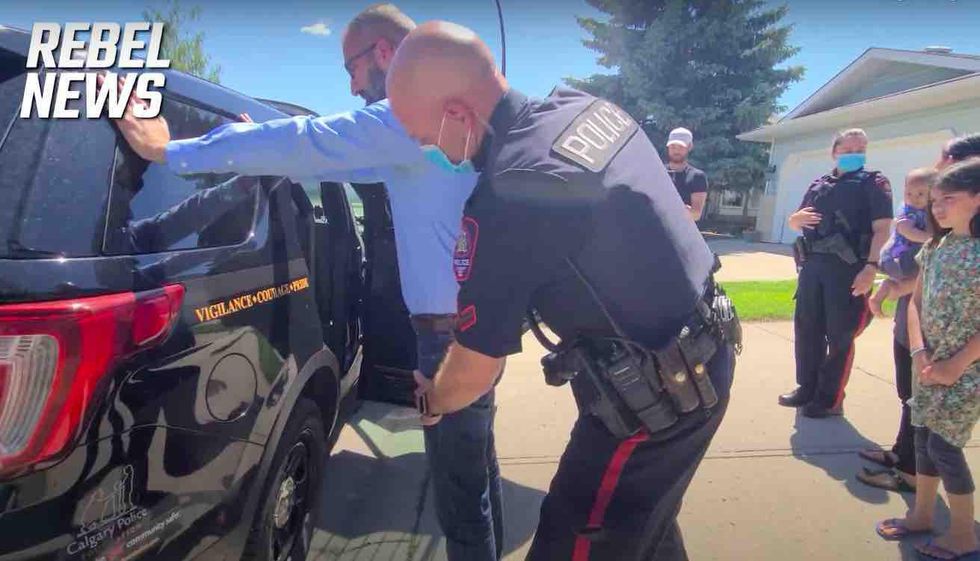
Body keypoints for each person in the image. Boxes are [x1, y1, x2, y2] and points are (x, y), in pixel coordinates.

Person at [102, 5, 504, 560]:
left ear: (383, 53)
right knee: (476, 481)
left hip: (448, 341)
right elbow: (328, 161)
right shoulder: (435, 126)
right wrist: (259, 149)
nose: (352, 85)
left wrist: (168, 150)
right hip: (474, 330)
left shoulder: (406, 119)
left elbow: (311, 140)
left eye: (350, 68)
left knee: (462, 504)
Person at [386, 21, 738, 561]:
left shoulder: (510, 193)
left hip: (655, 404)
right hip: (705, 352)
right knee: (644, 526)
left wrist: (431, 398)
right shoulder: (585, 108)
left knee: (575, 541)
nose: (435, 152)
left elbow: (475, 372)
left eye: (424, 137)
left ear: (456, 113)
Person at [876, 158, 980, 561]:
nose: (937, 208)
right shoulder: (937, 246)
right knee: (921, 437)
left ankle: (963, 534)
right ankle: (921, 515)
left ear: (977, 198)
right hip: (927, 365)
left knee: (944, 447)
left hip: (965, 372)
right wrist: (919, 351)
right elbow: (916, 302)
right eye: (934, 201)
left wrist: (956, 363)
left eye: (947, 199)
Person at [779, 129, 893, 418]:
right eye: (848, 149)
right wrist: (794, 220)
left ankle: (830, 399)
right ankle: (807, 388)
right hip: (812, 265)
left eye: (860, 149)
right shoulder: (820, 184)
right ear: (834, 152)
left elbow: (882, 229)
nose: (854, 154)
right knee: (808, 329)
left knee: (840, 335)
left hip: (849, 268)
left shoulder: (874, 183)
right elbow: (796, 220)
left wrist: (871, 267)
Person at [856, 167, 937, 493]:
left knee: (917, 400)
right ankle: (900, 455)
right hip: (908, 321)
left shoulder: (946, 230)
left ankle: (910, 473)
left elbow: (927, 276)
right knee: (907, 395)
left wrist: (891, 288)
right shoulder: (920, 218)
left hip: (926, 328)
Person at [664, 127, 709, 221]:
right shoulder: (659, 173)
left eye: (681, 147)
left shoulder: (697, 177)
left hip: (681, 229)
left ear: (689, 147)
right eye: (673, 147)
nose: (676, 151)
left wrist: (683, 210)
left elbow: (696, 215)